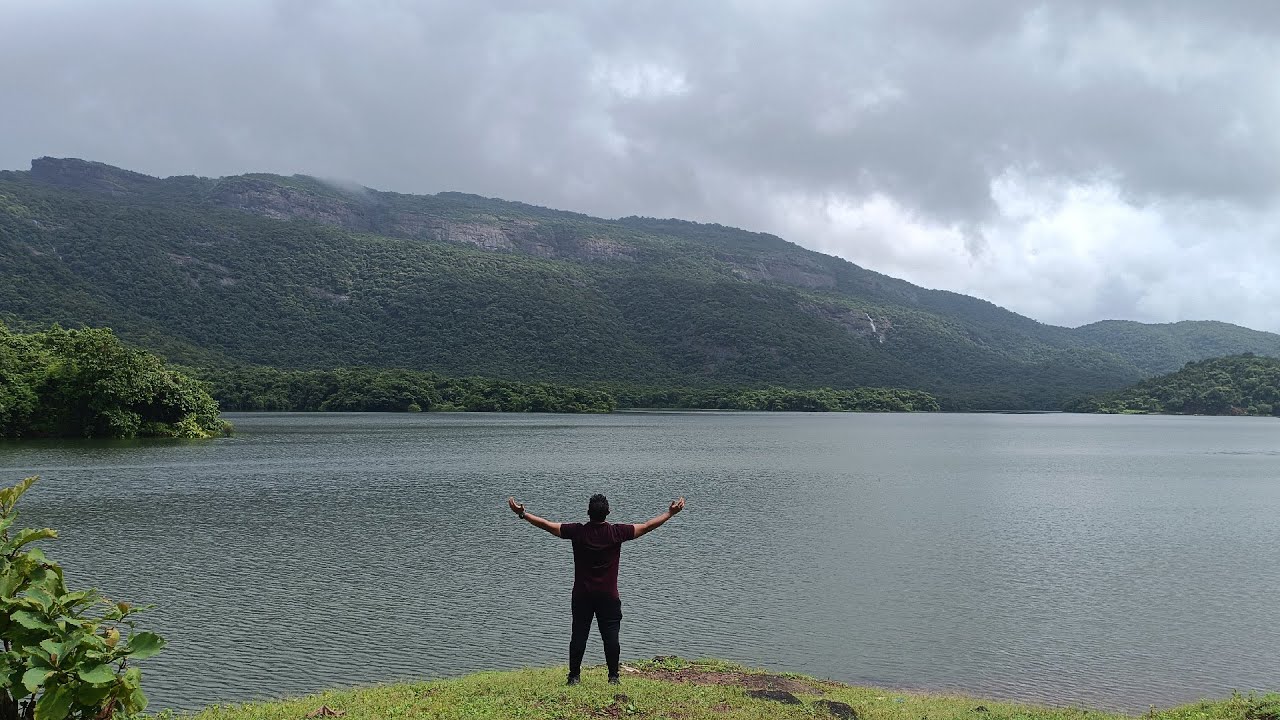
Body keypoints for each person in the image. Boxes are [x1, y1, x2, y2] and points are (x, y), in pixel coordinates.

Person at [507, 493, 685, 685]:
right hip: (608, 597)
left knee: (579, 636)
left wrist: (523, 514)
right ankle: (613, 677)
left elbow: (548, 525)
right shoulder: (616, 533)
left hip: (582, 595)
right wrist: (670, 513)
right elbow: (647, 526)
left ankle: (574, 677)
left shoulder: (578, 532)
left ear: (588, 512)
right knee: (611, 637)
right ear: (608, 513)